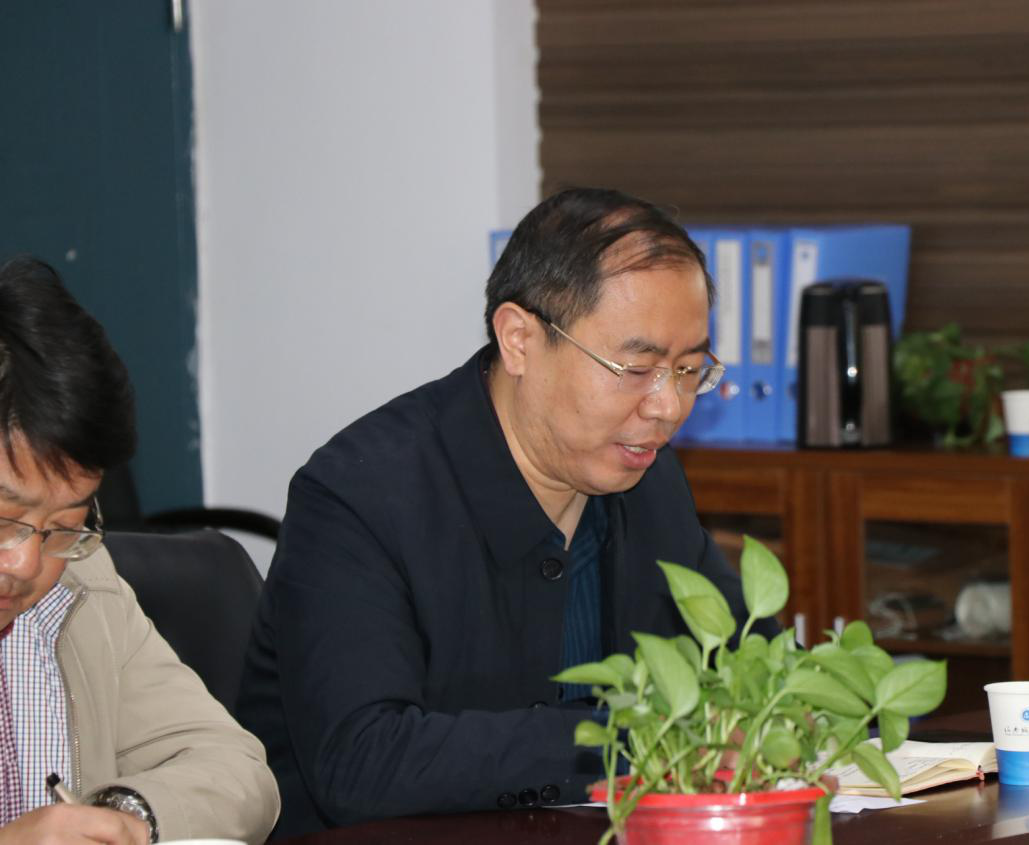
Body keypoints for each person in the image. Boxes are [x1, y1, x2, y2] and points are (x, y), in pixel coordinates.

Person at [238, 187, 777, 837]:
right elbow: (362, 760)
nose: (667, 407)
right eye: (637, 368)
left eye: (689, 370)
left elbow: (753, 667)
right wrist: (631, 739)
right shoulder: (360, 496)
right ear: (519, 339)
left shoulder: (648, 479)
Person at [0, 256, 280, 844]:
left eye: (65, 525)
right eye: (5, 519)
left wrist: (124, 816)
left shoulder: (83, 584)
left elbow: (237, 770)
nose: (27, 563)